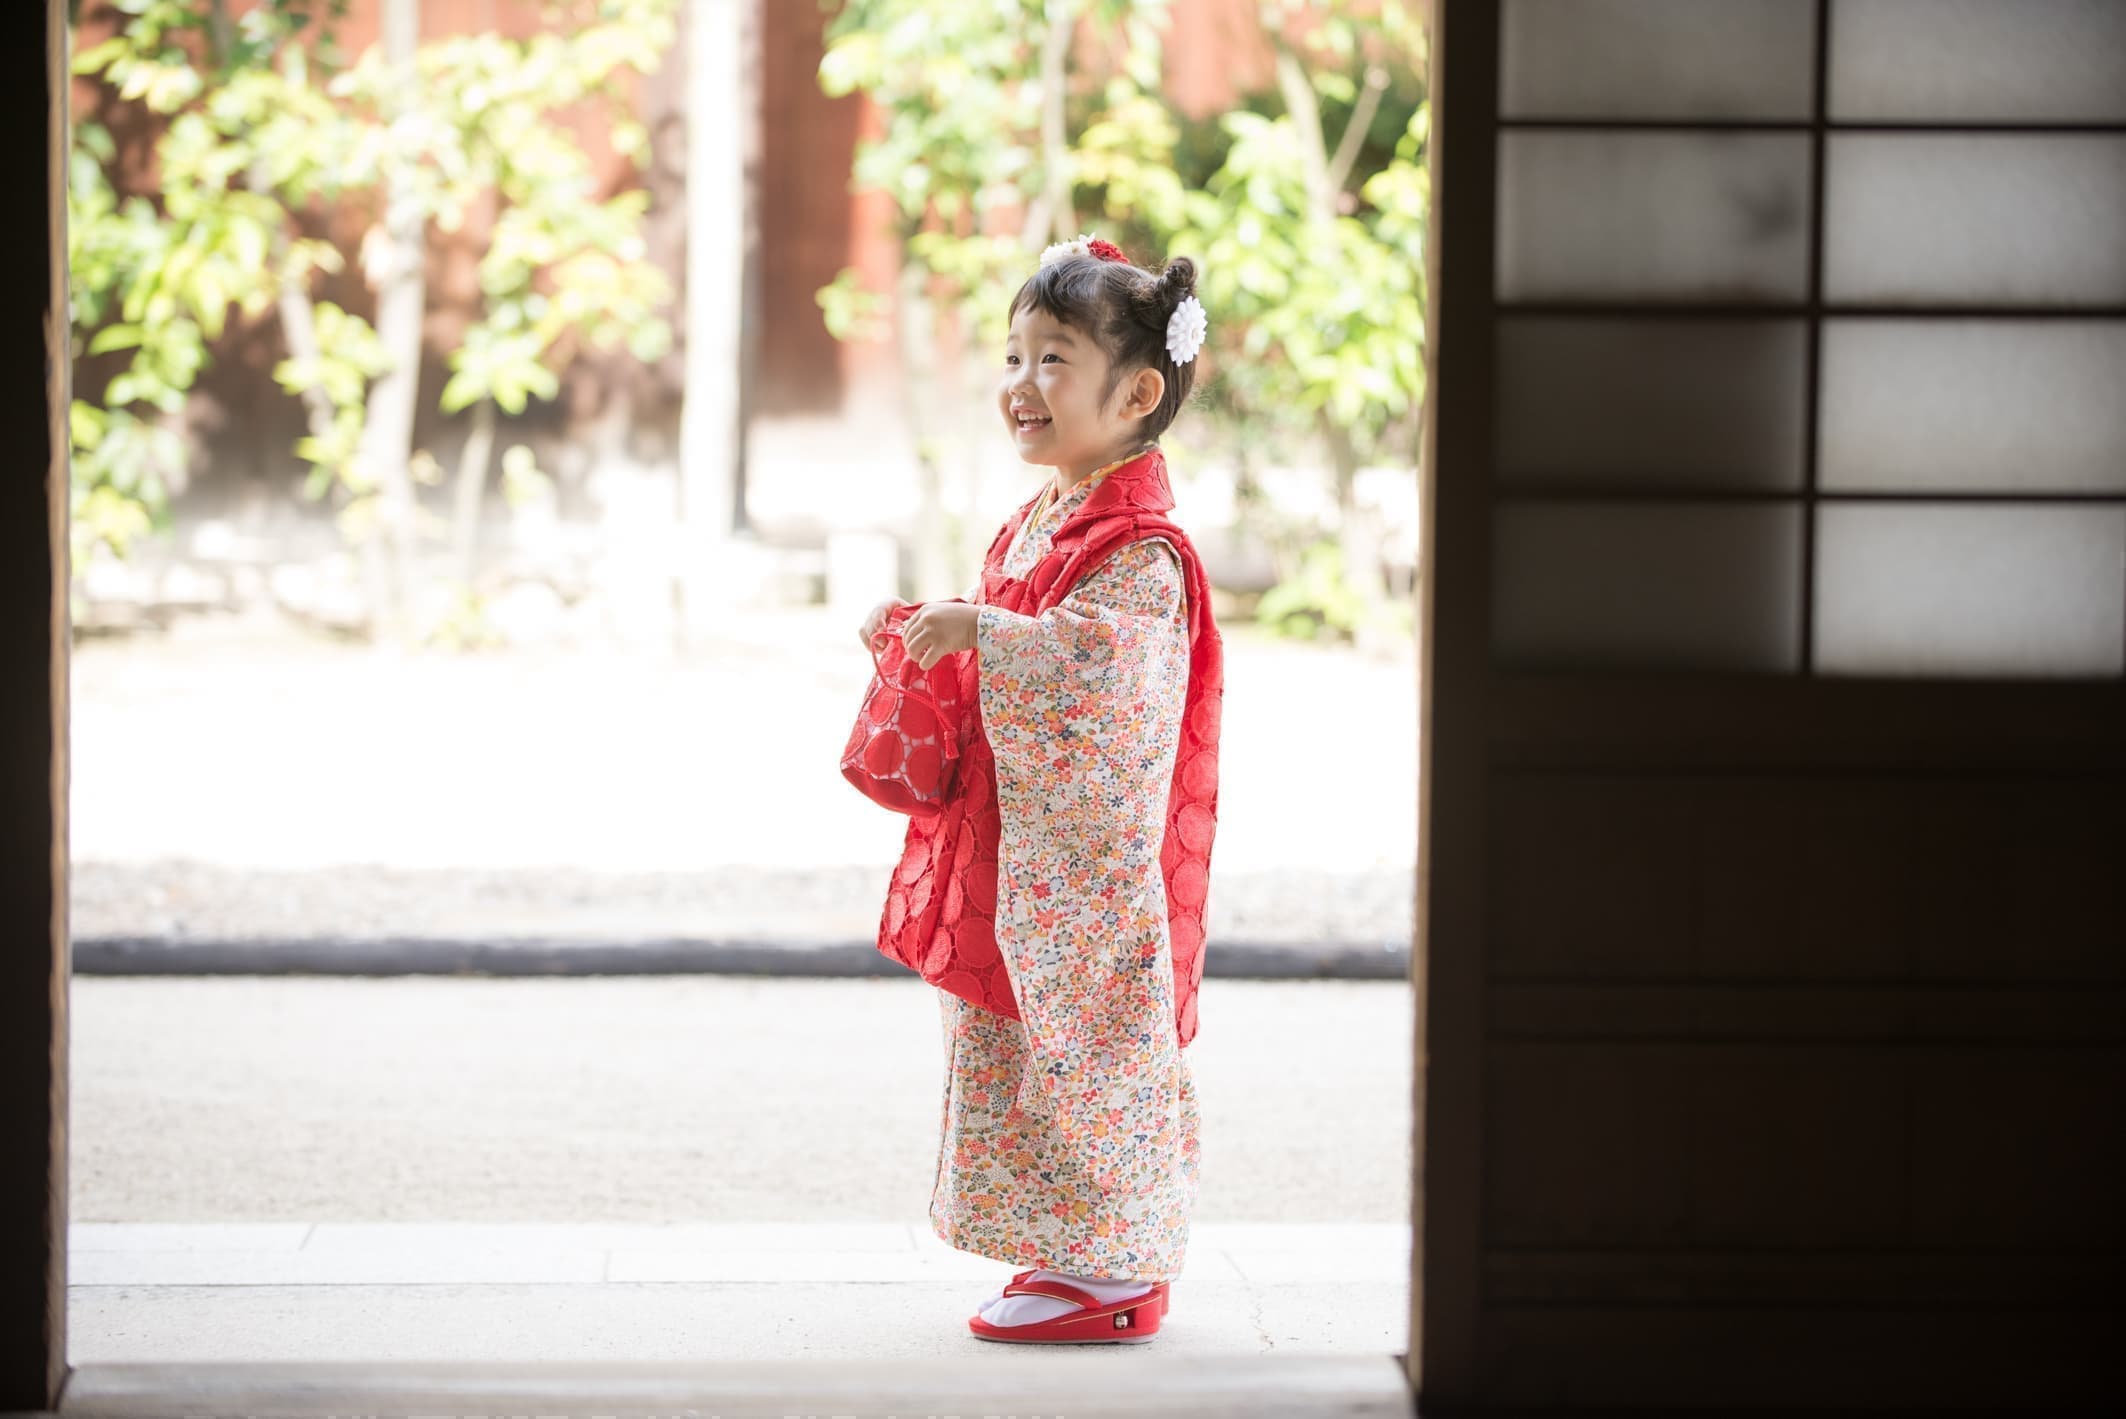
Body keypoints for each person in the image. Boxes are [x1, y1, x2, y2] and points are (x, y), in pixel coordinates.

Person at [855, 233, 1222, 1344]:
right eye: (1013, 357)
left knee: (1090, 1047)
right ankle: (1070, 1247)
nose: (1021, 383)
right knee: (1018, 1043)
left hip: (1084, 868)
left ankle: (1116, 1266)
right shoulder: (1045, 517)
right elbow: (1021, 642)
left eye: (1054, 359)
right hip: (1023, 849)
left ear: (1138, 394)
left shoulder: (1142, 547)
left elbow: (1103, 670)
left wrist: (985, 633)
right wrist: (931, 633)